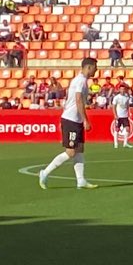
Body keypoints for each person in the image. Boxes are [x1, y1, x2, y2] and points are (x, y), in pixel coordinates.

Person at [38, 57, 98, 190]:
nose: (96, 69)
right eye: (95, 67)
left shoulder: (80, 81)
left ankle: (81, 180)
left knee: (80, 149)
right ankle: (45, 172)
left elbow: (72, 99)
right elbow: (77, 100)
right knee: (71, 152)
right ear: (89, 67)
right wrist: (86, 120)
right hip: (71, 120)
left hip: (73, 119)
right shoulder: (80, 81)